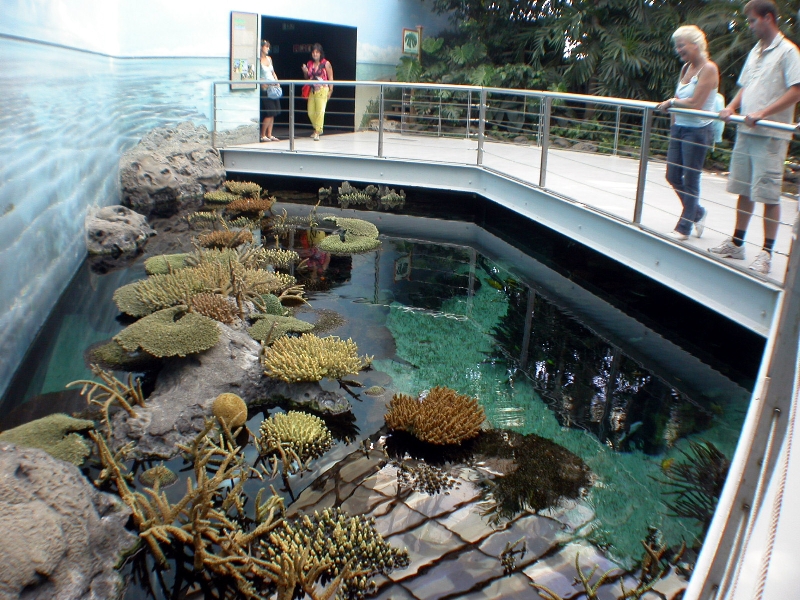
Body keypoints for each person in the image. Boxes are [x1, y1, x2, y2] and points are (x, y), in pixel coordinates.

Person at [709, 0, 800, 274]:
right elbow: (746, 86)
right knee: (744, 189)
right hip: (746, 131)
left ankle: (767, 253)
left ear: (768, 18)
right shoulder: (756, 51)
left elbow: (796, 91)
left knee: (769, 194)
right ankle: (737, 243)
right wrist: (732, 106)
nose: (749, 26)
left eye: (752, 20)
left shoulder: (788, 52)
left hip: (770, 135)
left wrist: (763, 112)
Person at [656, 25, 720, 241]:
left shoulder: (709, 69)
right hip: (680, 128)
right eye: (677, 46)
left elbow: (695, 103)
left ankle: (684, 227)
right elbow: (678, 101)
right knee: (672, 175)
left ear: (695, 44)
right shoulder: (685, 69)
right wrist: (673, 124)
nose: (678, 50)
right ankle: (697, 212)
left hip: (698, 131)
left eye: (681, 45)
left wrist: (672, 102)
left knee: (691, 178)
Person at [302, 43, 334, 141]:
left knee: (320, 112)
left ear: (320, 53)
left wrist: (331, 90)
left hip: (323, 89)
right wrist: (305, 71)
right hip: (312, 90)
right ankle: (318, 129)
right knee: (311, 112)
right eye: (313, 52)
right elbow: (307, 78)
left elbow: (331, 77)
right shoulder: (309, 64)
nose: (315, 54)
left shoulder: (326, 63)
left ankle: (317, 131)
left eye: (317, 52)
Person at [259, 40, 281, 142]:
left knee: (274, 112)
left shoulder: (269, 59)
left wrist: (277, 81)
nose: (268, 48)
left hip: (273, 87)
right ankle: (262, 134)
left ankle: (269, 134)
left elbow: (273, 72)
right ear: (261, 47)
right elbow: (258, 75)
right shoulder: (258, 60)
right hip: (265, 88)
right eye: (266, 47)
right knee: (269, 112)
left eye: (268, 47)